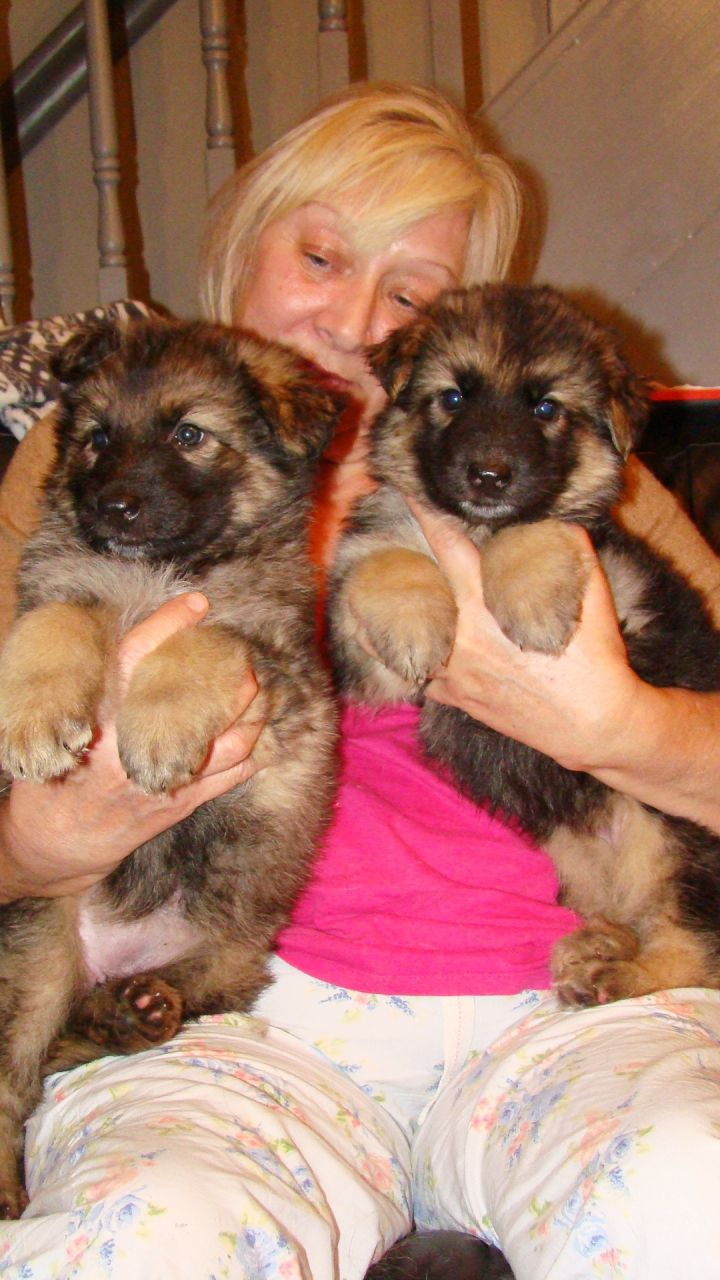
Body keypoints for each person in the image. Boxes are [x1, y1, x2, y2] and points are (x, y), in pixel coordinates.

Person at [0, 81, 719, 1279]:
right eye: (320, 253)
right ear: (242, 244)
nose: (349, 317)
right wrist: (45, 841)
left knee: (693, 1190)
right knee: (146, 1240)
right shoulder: (94, 459)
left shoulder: (573, 478)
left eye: (410, 290)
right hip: (250, 1018)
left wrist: (624, 724)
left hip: (571, 999)